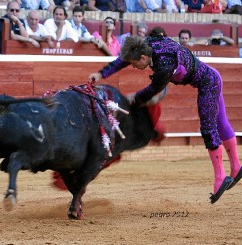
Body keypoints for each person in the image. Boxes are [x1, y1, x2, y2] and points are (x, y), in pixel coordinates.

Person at [88, 35, 242, 204]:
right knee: (221, 123)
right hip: (213, 76)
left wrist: (134, 98)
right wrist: (102, 73)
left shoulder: (164, 65)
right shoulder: (146, 45)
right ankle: (235, 166)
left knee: (208, 128)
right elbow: (124, 59)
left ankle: (220, 177)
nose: (133, 66)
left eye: (134, 63)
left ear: (144, 58)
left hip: (208, 83)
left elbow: (153, 89)